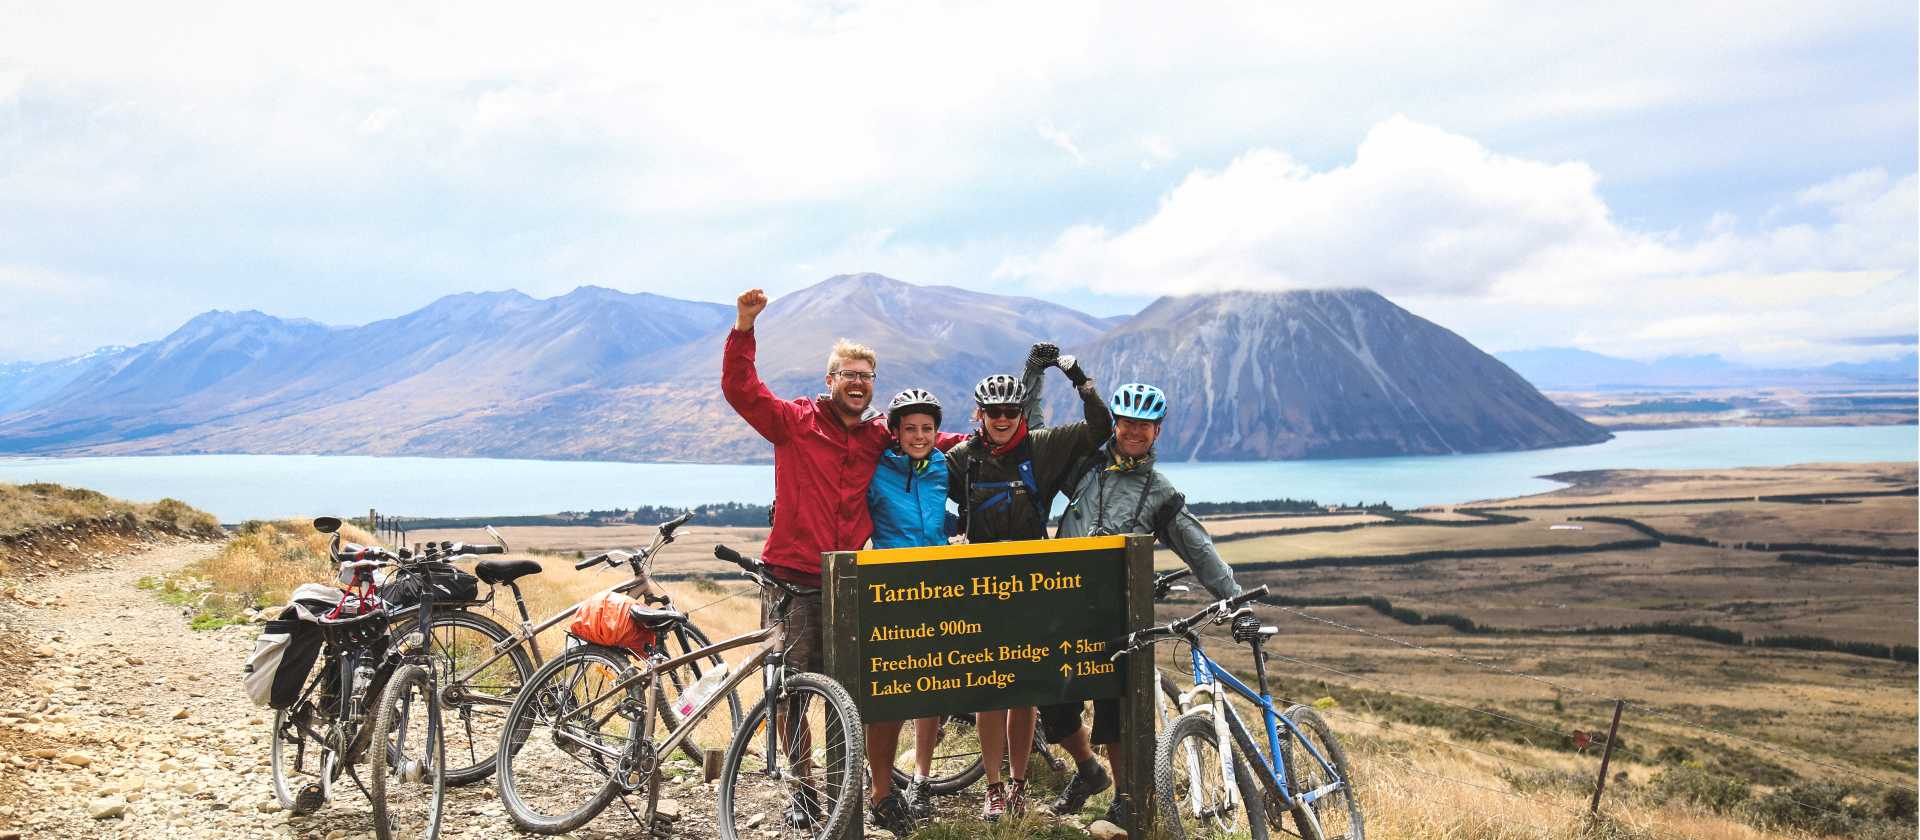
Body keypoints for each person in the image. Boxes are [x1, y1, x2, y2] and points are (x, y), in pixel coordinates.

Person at [720, 288, 963, 828]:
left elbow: (934, 439)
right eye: (848, 374)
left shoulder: (880, 435)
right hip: (789, 577)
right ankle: (804, 790)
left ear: (873, 384)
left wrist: (997, 434)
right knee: (790, 693)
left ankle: (854, 791)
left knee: (849, 692)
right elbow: (742, 390)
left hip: (847, 581)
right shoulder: (794, 421)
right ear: (829, 380)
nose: (857, 382)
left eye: (866, 376)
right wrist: (744, 328)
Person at [1044, 382, 1245, 827]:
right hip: (1064, 606)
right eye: (1127, 423)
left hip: (1119, 614)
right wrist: (1037, 374)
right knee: (1052, 701)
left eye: (1144, 425)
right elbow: (1036, 443)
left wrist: (1235, 600)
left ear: (1157, 431)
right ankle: (1088, 769)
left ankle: (1124, 799)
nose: (1134, 431)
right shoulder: (1085, 466)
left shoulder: (1159, 490)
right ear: (1115, 424)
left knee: (1116, 712)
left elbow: (1198, 548)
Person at [944, 345, 1111, 821]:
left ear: (1021, 412)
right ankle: (993, 788)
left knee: (1023, 691)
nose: (1002, 419)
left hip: (1034, 585)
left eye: (1011, 411)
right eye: (993, 411)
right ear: (979, 414)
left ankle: (1017, 785)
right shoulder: (962, 458)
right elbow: (925, 489)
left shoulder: (1042, 446)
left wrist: (1079, 379)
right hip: (981, 586)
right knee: (988, 690)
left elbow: (1100, 429)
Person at [861, 388, 954, 833]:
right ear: (894, 432)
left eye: (927, 429)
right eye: (910, 429)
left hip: (935, 585)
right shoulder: (876, 467)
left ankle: (921, 779)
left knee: (929, 687)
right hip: (890, 588)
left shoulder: (944, 466)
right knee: (890, 693)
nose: (919, 436)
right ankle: (880, 787)